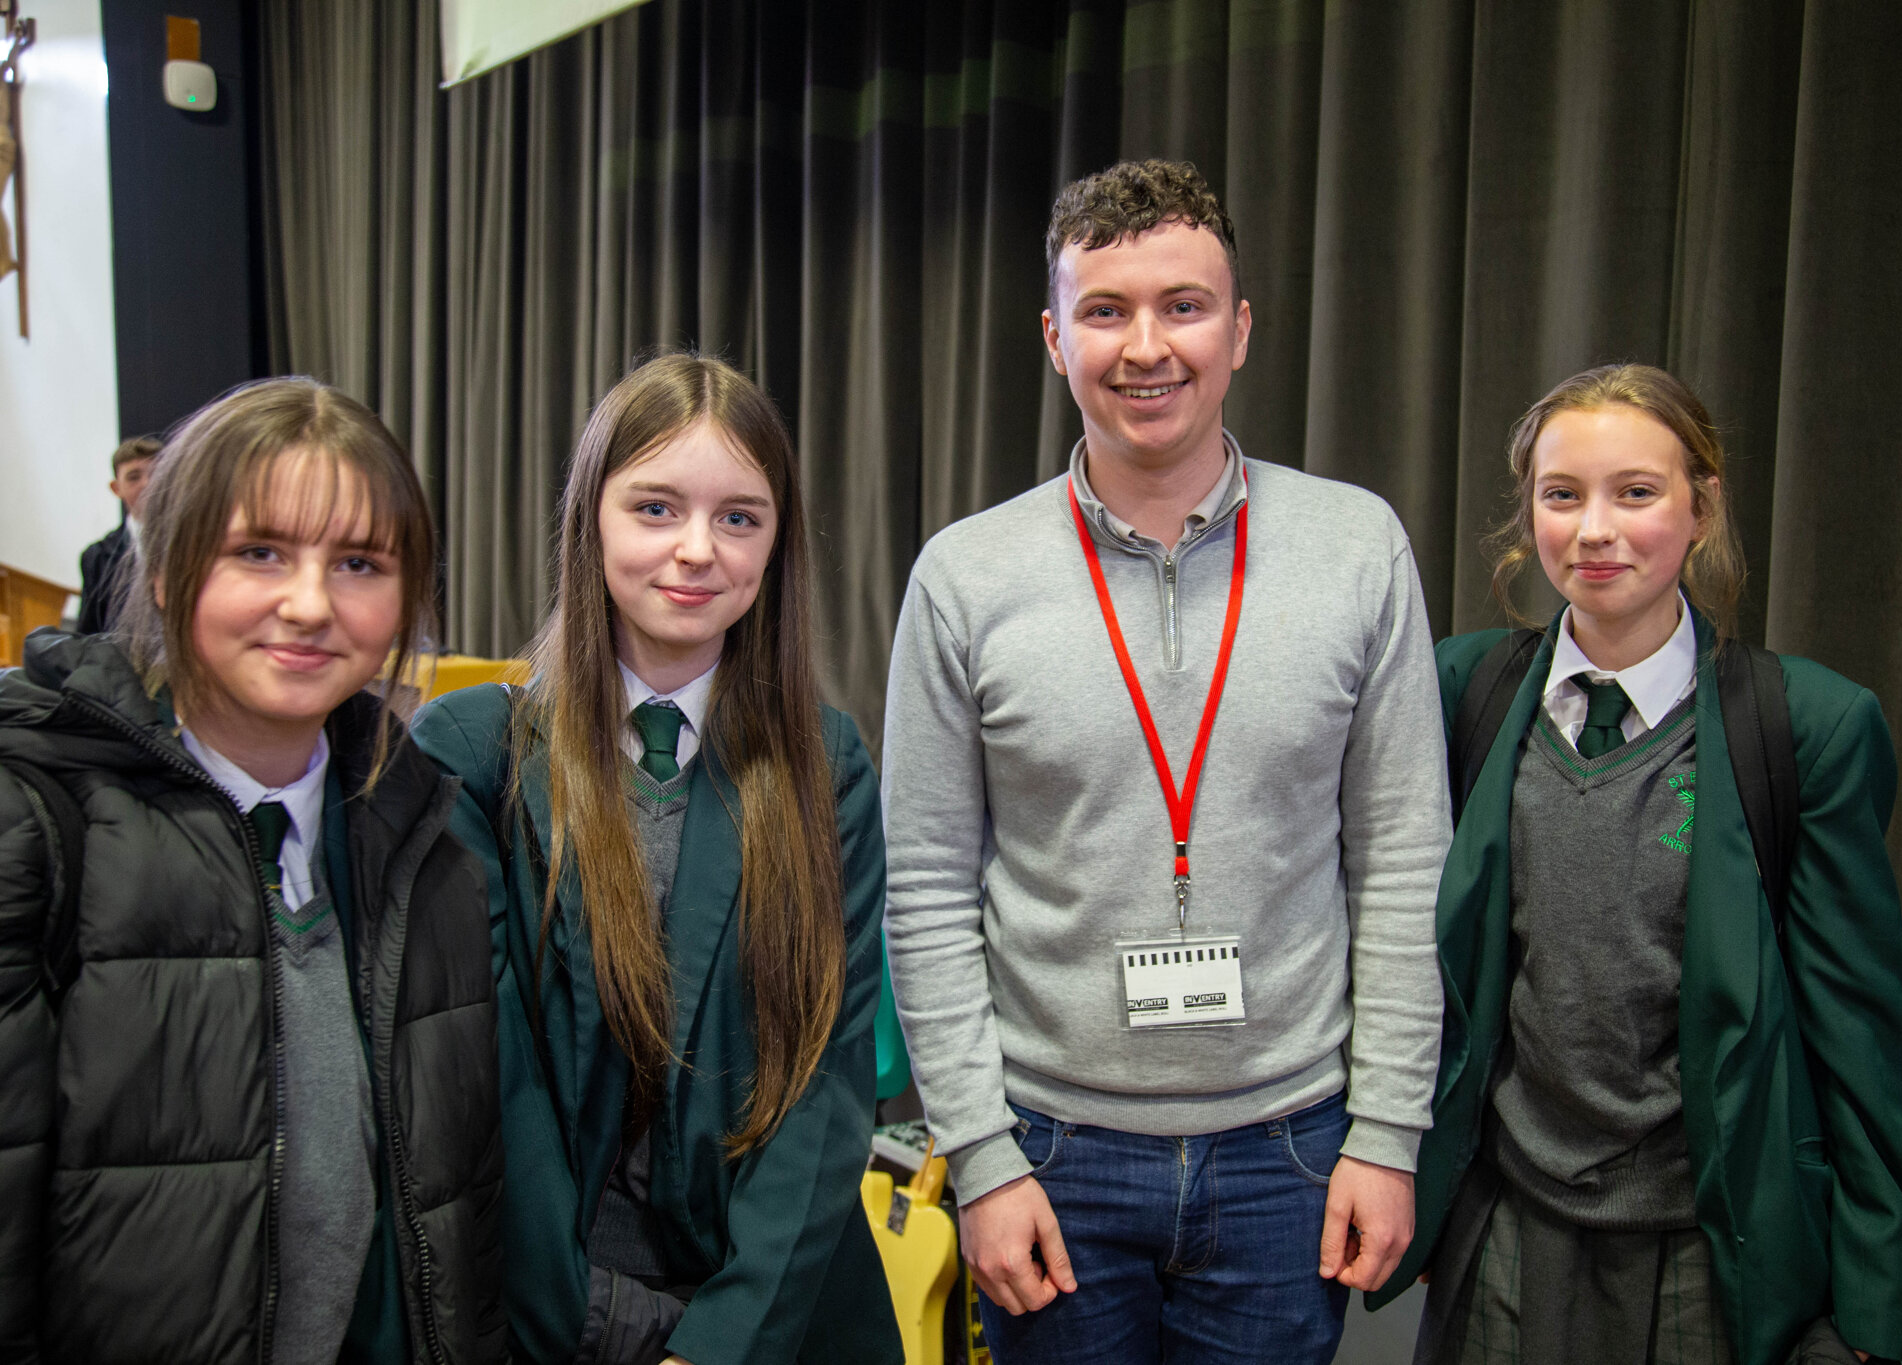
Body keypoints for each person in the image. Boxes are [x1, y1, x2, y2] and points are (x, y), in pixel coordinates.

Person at [882, 158, 1451, 1365]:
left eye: (1183, 306)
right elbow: (926, 889)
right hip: (1049, 1160)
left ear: (1238, 330)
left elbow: (1403, 862)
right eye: (1105, 311)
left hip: (1291, 1153)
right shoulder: (963, 578)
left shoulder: (1356, 548)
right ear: (1053, 338)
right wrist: (977, 1159)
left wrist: (1388, 1132)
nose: (1147, 347)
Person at [1387, 364, 1902, 1365]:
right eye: (1561, 495)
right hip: (1503, 1226)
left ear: (1700, 506)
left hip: (1702, 1247)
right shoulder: (1458, 691)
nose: (1594, 530)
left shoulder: (1804, 726)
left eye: (1634, 492)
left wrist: (1868, 1296)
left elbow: (1859, 1037)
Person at [0, 378, 506, 1363]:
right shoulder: (39, 824)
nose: (310, 604)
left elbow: (450, 1224)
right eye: (258, 552)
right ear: (166, 569)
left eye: (359, 562)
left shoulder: (430, 848)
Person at [412, 352, 899, 1365]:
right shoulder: (470, 755)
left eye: (738, 518)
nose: (695, 551)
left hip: (770, 1310)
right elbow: (485, 1088)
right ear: (590, 518)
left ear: (775, 545)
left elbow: (826, 1085)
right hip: (543, 1305)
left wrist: (717, 1346)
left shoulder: (826, 765)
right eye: (654, 508)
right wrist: (585, 1322)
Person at [76, 434, 162, 634]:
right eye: (134, 477)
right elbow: (89, 631)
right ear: (117, 488)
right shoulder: (98, 557)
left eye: (157, 473)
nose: (147, 484)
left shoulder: (196, 542)